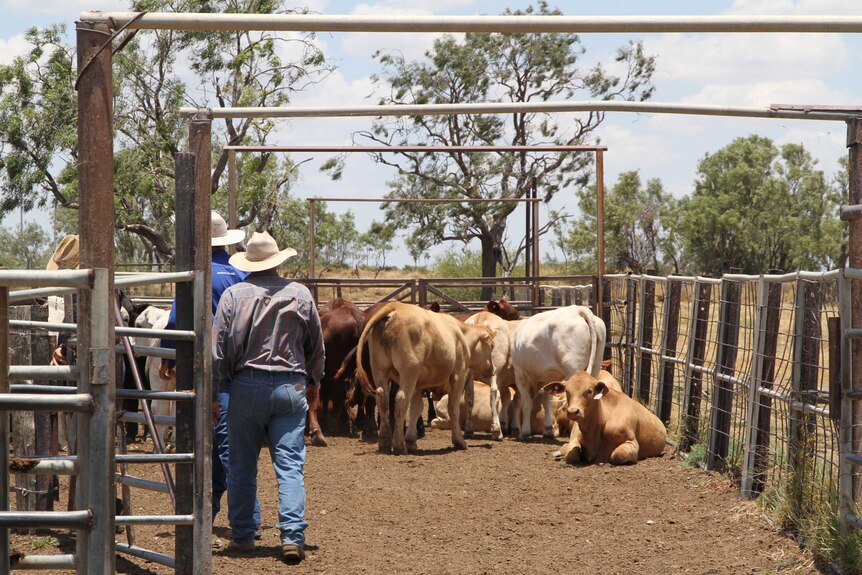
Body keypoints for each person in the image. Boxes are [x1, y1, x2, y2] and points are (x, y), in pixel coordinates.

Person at [212, 231, 324, 563]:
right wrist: (314, 380)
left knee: (241, 466)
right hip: (291, 386)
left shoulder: (234, 295)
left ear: (249, 262)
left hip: (245, 385)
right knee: (290, 465)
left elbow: (219, 350)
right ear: (278, 260)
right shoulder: (300, 294)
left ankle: (244, 536)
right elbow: (316, 346)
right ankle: (292, 536)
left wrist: (220, 387)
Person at [158, 211, 262, 537]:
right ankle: (213, 510)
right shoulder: (242, 274)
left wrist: (168, 354)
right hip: (243, 366)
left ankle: (249, 519)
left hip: (207, 366)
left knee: (222, 442)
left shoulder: (195, 275)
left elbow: (176, 321)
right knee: (224, 439)